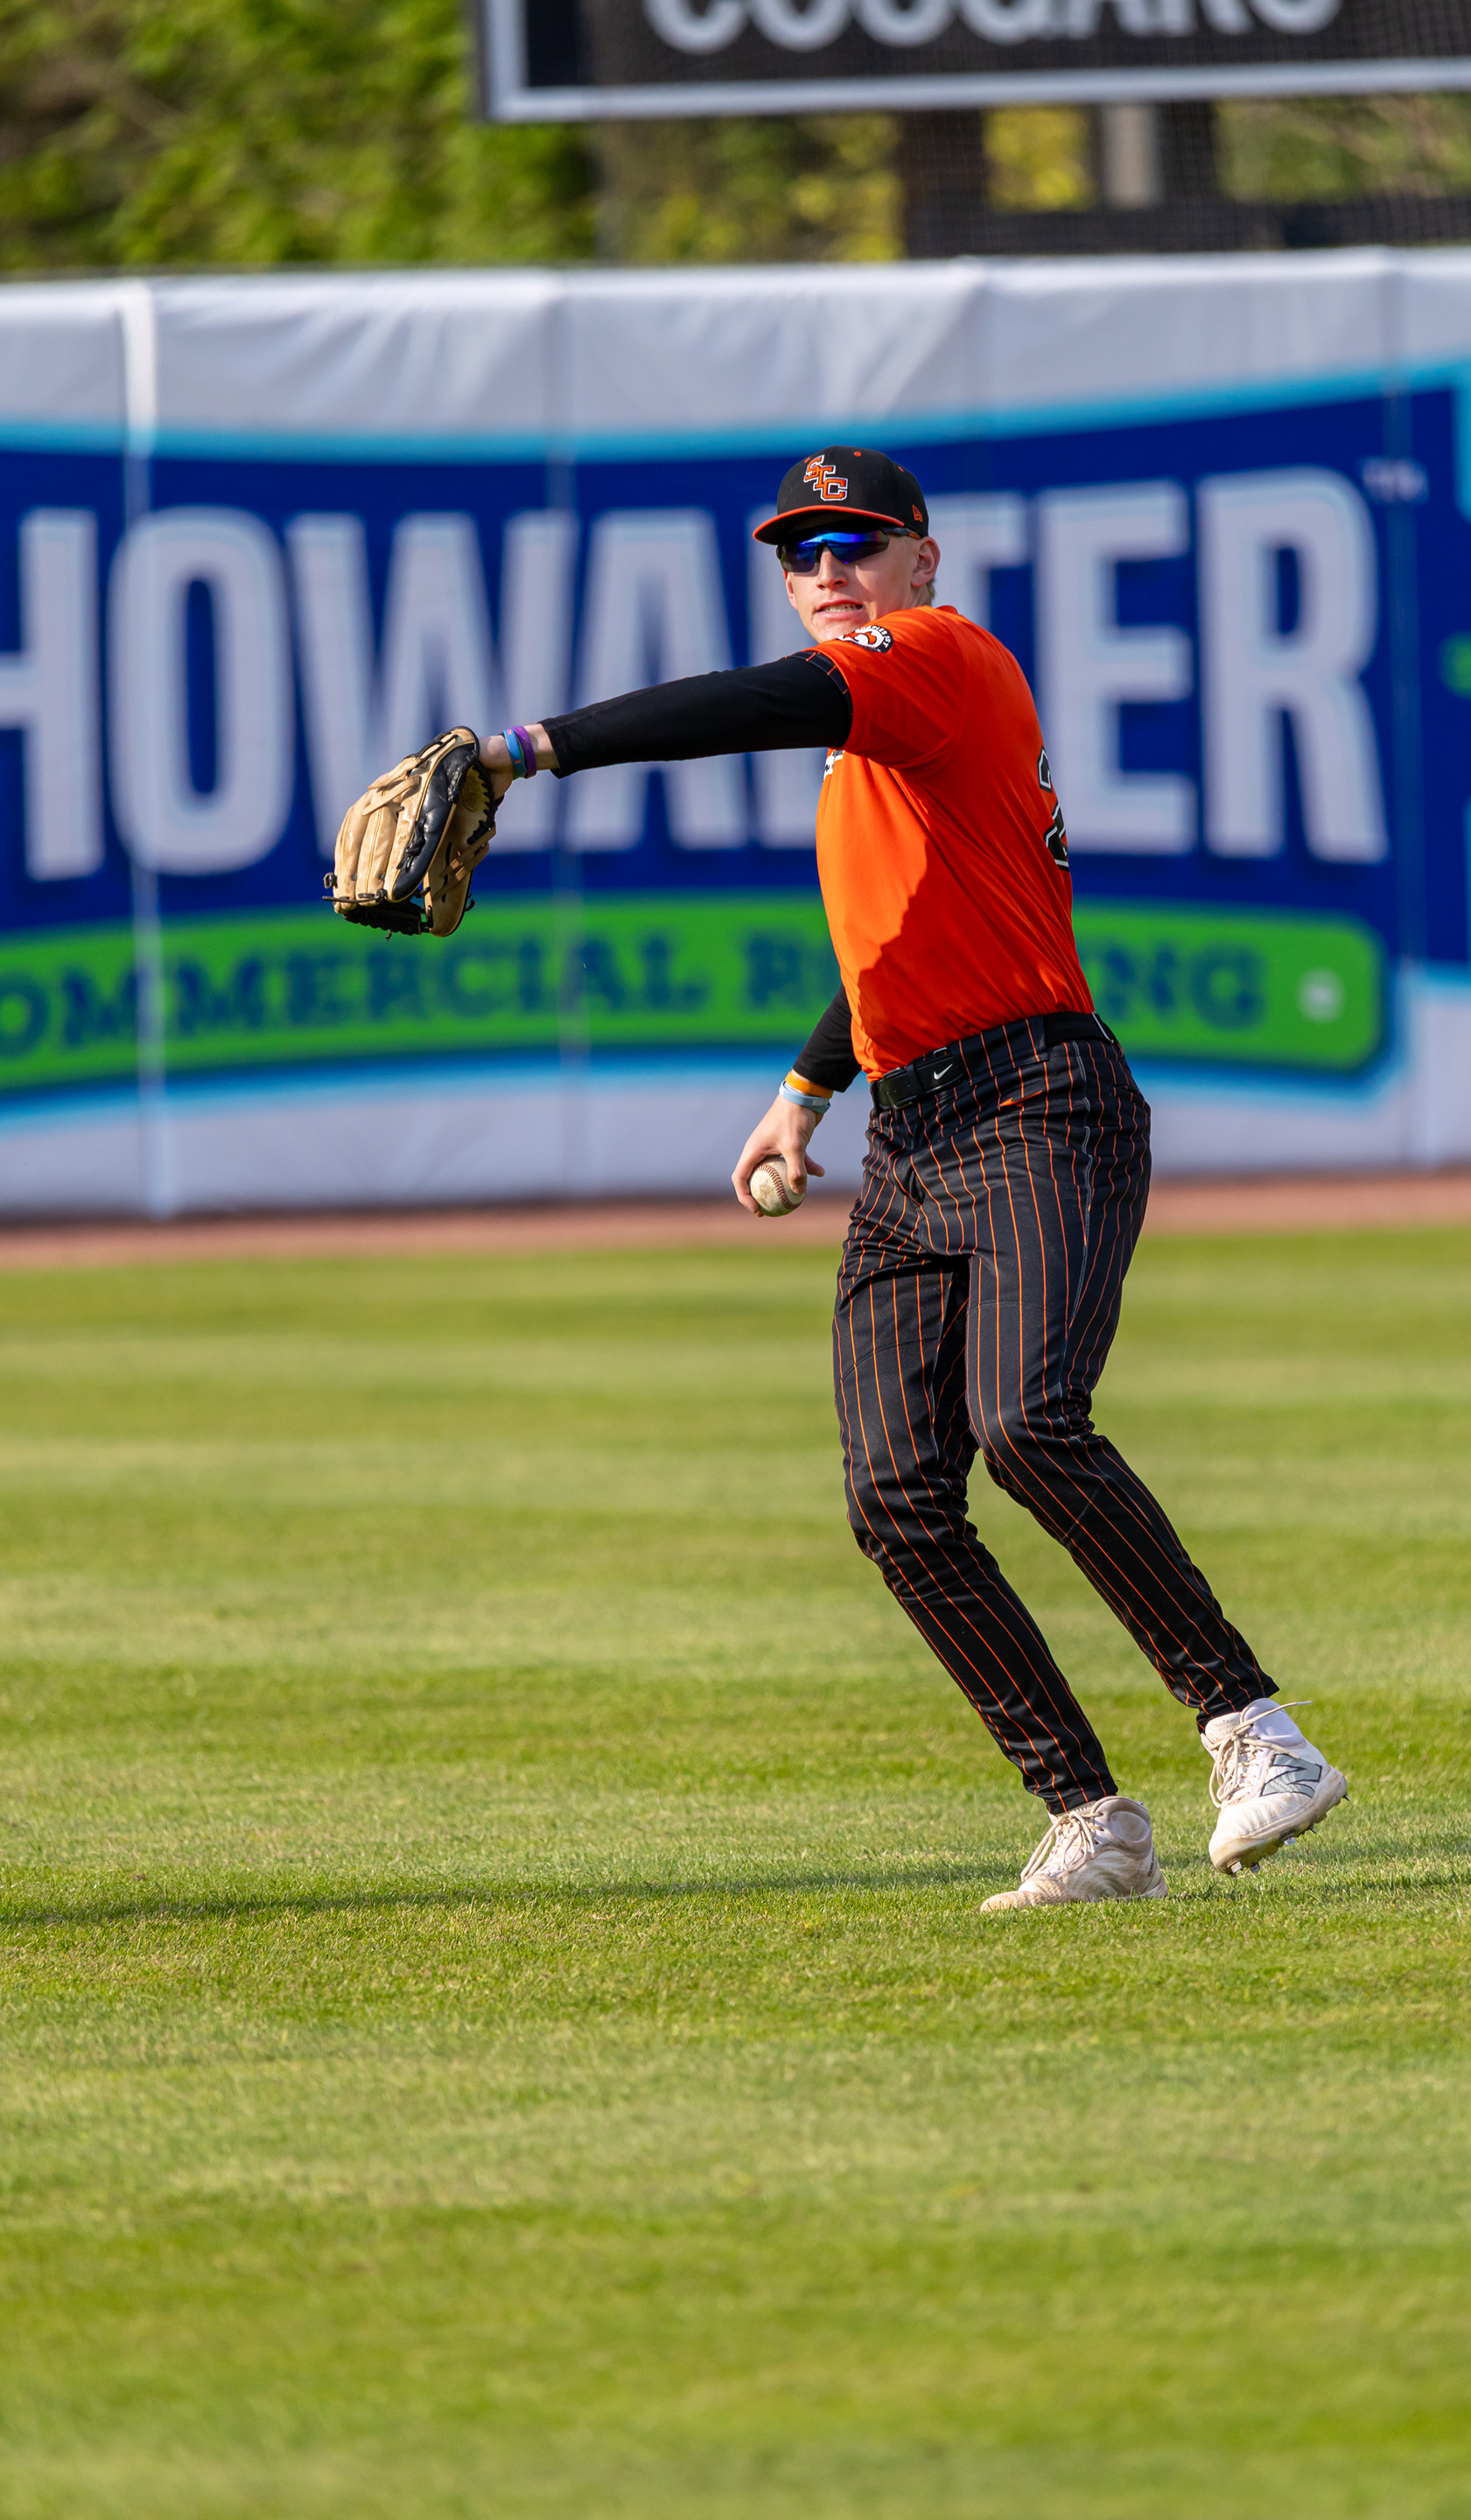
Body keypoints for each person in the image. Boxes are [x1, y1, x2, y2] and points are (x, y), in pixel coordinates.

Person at [476, 446, 1347, 1910]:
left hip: (1039, 1103)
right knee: (895, 1496)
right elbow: (902, 933)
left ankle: (1255, 1732)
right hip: (911, 1136)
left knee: (1028, 1422)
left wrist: (527, 748)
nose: (827, 570)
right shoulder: (875, 744)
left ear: (922, 561)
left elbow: (752, 703)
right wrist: (803, 1093)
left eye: (857, 542)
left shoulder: (934, 657)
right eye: (801, 550)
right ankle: (1091, 1819)